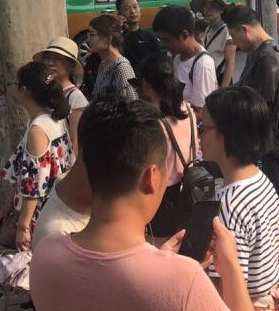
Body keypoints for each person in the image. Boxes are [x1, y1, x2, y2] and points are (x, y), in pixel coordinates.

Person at [30, 99, 254, 311]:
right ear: (151, 177)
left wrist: (159, 259)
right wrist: (231, 267)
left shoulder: (44, 255)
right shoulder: (185, 281)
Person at [201, 87, 279, 310]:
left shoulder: (226, 206)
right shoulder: (260, 179)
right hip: (276, 299)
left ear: (227, 134)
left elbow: (226, 293)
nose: (198, 133)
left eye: (203, 127)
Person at [0, 62, 74, 253]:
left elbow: (34, 184)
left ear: (23, 90)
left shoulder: (38, 129)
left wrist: (23, 227)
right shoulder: (55, 119)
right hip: (56, 208)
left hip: (39, 216)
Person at [135, 54, 199, 242]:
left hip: (164, 199)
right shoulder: (187, 109)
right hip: (190, 190)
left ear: (145, 84)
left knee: (163, 249)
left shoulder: (155, 124)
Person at [225, 6, 279, 192]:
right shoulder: (257, 51)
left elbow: (259, 107)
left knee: (266, 200)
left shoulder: (268, 58)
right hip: (257, 143)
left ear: (244, 29)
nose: (235, 43)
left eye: (233, 36)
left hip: (264, 146)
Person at [155, 6, 217, 114]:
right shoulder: (175, 55)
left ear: (184, 35)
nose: (164, 45)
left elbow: (200, 111)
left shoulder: (202, 64)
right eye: (161, 40)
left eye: (166, 40)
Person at [35, 37, 88, 152]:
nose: (50, 63)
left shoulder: (75, 98)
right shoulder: (44, 91)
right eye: (48, 58)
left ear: (71, 65)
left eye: (57, 59)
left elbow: (76, 141)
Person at [87, 14, 140, 103]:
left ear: (108, 38)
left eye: (92, 35)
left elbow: (132, 105)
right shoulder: (103, 64)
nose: (88, 40)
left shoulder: (122, 67)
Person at [192, 0, 237, 88]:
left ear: (221, 10)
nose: (208, 10)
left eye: (213, 7)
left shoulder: (227, 32)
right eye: (206, 6)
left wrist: (223, 90)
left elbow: (230, 63)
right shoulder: (208, 29)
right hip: (210, 77)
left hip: (221, 80)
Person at [117, 0, 164, 72]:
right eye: (127, 9)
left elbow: (159, 60)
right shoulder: (118, 38)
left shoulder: (149, 36)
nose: (133, 11)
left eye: (135, 7)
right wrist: (118, 29)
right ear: (119, 14)